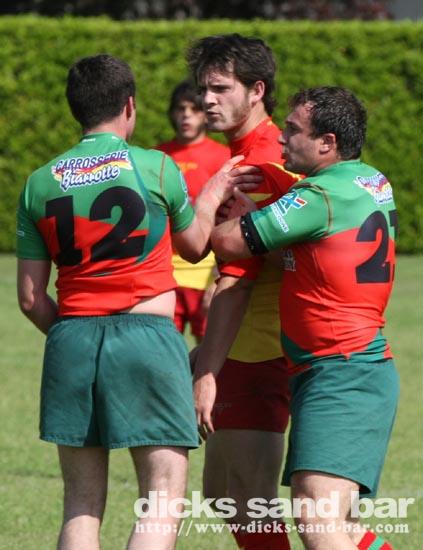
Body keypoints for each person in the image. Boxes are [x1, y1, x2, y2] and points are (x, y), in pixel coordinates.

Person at [15, 54, 261, 550]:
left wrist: (75, 331)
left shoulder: (39, 182)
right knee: (161, 496)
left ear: (74, 108)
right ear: (129, 105)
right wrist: (212, 193)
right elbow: (195, 246)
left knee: (80, 504)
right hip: (146, 335)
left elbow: (29, 298)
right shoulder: (155, 165)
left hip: (71, 339)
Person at [210, 86, 398, 550]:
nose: (281, 138)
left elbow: (229, 242)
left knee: (317, 516)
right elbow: (320, 254)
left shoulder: (317, 195)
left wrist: (218, 202)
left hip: (340, 370)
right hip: (353, 366)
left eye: (293, 130)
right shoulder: (371, 180)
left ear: (327, 143)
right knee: (342, 524)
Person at [187, 33, 301, 550]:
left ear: (257, 90)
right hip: (247, 347)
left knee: (251, 500)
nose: (206, 100)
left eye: (220, 88)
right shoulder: (251, 152)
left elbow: (237, 280)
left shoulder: (258, 164)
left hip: (261, 350)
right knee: (224, 495)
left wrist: (207, 372)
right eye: (203, 88)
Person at [156, 80, 230, 343]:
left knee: (208, 350)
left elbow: (229, 220)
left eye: (194, 109)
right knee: (163, 349)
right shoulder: (157, 157)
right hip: (164, 271)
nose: (186, 115)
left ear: (205, 114)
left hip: (206, 270)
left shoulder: (223, 157)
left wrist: (219, 278)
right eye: (180, 108)